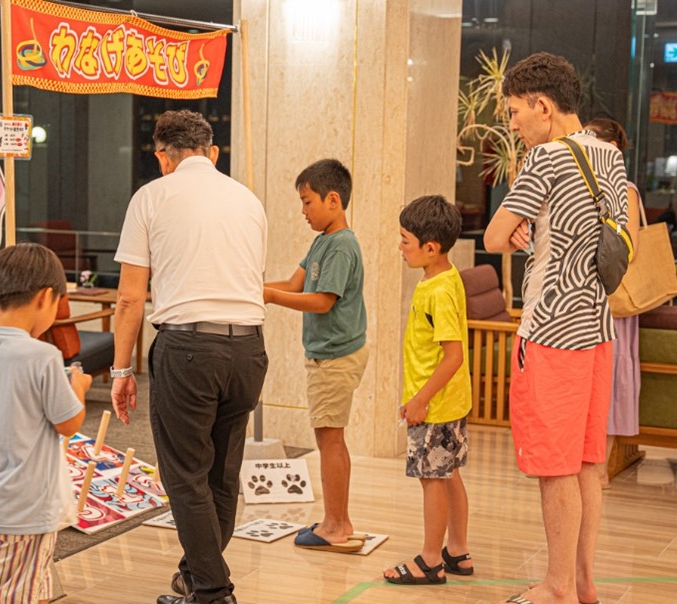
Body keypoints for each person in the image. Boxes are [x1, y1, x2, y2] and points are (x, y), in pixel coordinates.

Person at [484, 52, 628, 604]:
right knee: (588, 464)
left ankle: (557, 586)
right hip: (598, 329)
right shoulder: (609, 155)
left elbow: (494, 236)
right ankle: (584, 583)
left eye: (515, 112)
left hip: (551, 332)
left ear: (542, 106)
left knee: (554, 467)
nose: (513, 124)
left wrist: (519, 229)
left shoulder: (544, 158)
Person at [110, 109, 268, 604]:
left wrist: (121, 370)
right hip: (250, 350)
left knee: (184, 475)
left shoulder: (152, 197)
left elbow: (130, 298)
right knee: (222, 473)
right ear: (212, 152)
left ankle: (213, 592)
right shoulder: (248, 200)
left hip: (189, 349)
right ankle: (197, 576)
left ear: (163, 157)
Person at [0, 243, 91, 604]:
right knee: (4, 596)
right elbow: (69, 423)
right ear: (44, 297)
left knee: (14, 586)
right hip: (25, 506)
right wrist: (78, 387)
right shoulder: (43, 356)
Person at [263, 159, 368, 553]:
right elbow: (295, 283)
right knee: (330, 438)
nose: (303, 211)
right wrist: (250, 286)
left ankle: (336, 525)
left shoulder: (342, 244)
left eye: (307, 202)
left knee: (330, 441)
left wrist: (270, 297)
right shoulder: (323, 240)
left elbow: (322, 301)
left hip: (335, 357)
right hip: (329, 355)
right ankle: (336, 519)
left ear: (333, 200)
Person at [382, 195, 473, 586]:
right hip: (449, 401)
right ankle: (458, 551)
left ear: (430, 248)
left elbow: (453, 356)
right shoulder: (445, 277)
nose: (400, 247)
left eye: (405, 241)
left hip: (435, 406)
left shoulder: (437, 291)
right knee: (448, 474)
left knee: (432, 479)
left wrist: (420, 399)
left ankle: (431, 560)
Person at [584, 118, 642, 488]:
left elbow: (628, 246)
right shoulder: (584, 183)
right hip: (590, 294)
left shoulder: (626, 189)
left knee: (610, 377)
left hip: (614, 297)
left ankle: (600, 466)